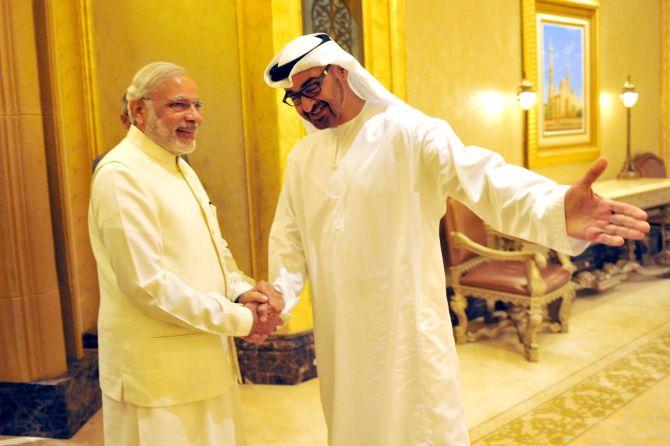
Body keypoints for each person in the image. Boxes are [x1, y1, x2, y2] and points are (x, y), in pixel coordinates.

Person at [263, 34, 650, 445]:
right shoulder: (303, 160)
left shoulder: (409, 133)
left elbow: (484, 178)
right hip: (341, 338)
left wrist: (555, 206)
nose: (305, 105)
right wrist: (278, 300)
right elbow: (290, 241)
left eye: (312, 88)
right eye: (294, 97)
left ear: (341, 71)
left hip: (405, 334)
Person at [88, 61, 283, 446]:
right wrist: (243, 321)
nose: (194, 116)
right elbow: (148, 286)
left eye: (197, 105)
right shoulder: (120, 175)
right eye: (179, 105)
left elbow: (214, 253)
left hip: (206, 364)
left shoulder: (179, 165)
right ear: (138, 110)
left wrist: (244, 291)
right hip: (158, 383)